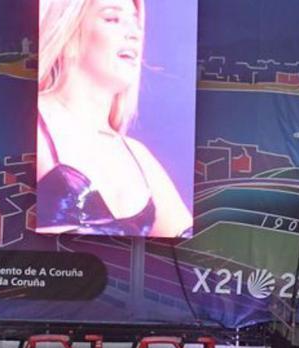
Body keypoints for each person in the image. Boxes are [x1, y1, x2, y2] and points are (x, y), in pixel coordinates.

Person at [37, 0, 192, 237]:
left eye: (136, 23)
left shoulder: (137, 155)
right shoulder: (30, 124)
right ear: (69, 37)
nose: (133, 34)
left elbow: (196, 253)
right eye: (112, 19)